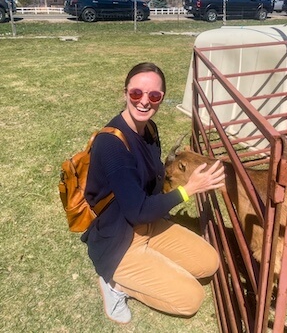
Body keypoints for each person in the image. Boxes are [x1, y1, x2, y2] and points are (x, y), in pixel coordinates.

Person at [82, 62, 225, 324]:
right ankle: (114, 284)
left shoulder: (150, 130)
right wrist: (189, 189)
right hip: (118, 240)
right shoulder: (112, 144)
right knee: (190, 299)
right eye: (136, 93)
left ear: (161, 98)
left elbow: (155, 180)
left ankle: (154, 263)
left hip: (150, 223)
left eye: (154, 96)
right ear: (125, 93)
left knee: (209, 263)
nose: (144, 102)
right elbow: (137, 211)